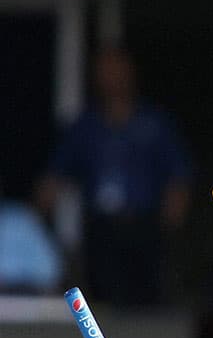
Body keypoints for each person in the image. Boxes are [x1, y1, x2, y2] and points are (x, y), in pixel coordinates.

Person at [36, 47, 192, 306]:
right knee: (103, 300)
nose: (110, 77)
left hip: (145, 225)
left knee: (148, 300)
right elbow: (55, 177)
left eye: (116, 68)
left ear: (130, 71)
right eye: (103, 70)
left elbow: (178, 176)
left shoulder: (154, 123)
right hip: (102, 229)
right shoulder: (86, 126)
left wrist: (170, 225)